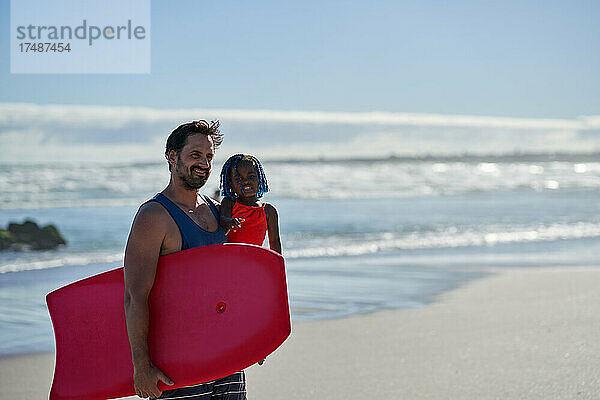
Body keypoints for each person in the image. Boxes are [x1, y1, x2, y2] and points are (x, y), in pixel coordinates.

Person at [123, 120, 247, 400]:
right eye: (195, 155)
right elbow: (135, 296)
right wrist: (141, 366)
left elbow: (232, 286)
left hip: (228, 357)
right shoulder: (154, 217)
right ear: (172, 156)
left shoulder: (217, 213)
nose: (204, 163)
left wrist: (254, 336)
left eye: (209, 156)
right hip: (178, 363)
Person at [218, 154, 282, 254]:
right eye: (238, 178)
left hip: (254, 260)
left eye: (251, 177)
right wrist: (230, 222)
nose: (246, 181)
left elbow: (274, 242)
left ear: (259, 179)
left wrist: (278, 266)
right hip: (230, 259)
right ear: (230, 183)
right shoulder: (229, 202)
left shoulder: (268, 210)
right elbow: (223, 219)